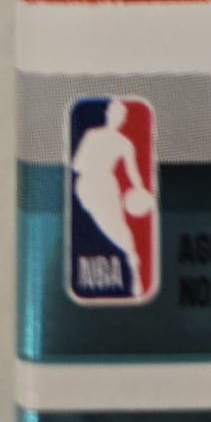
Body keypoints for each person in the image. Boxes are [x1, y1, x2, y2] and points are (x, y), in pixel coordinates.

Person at [70, 98, 153, 297]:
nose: (115, 117)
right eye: (113, 112)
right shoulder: (92, 135)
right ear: (108, 114)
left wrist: (141, 191)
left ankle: (134, 269)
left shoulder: (124, 143)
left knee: (117, 226)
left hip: (105, 186)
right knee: (101, 225)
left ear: (122, 119)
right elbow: (77, 165)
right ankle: (127, 262)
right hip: (87, 186)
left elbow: (132, 172)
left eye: (119, 115)